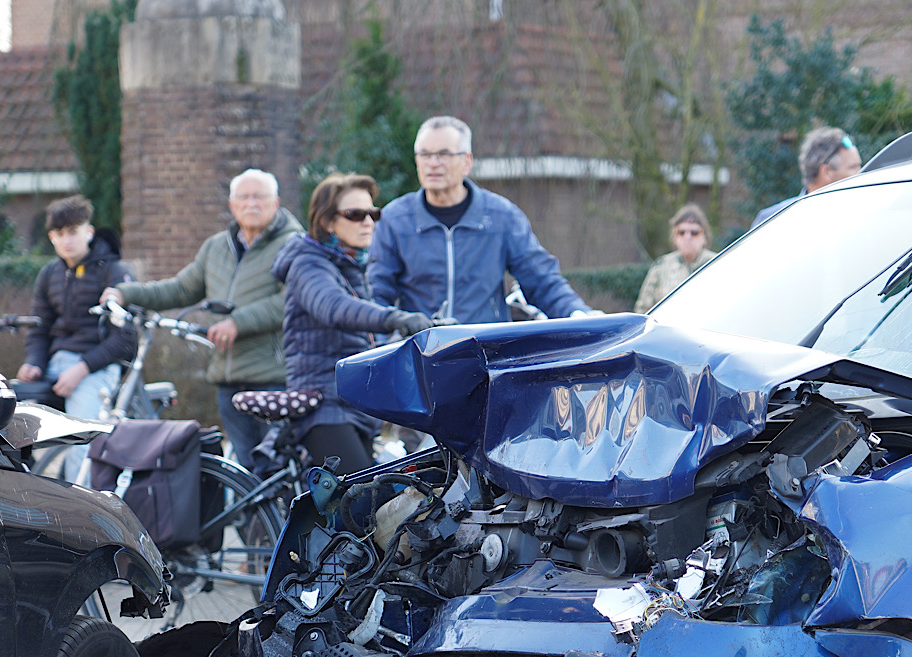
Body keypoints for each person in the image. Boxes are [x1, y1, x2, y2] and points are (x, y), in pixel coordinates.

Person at [103, 169, 302, 460]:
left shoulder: (294, 244)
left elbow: (292, 299)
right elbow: (181, 289)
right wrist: (124, 292)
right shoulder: (216, 247)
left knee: (276, 467)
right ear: (232, 206)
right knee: (246, 470)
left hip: (274, 377)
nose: (251, 203)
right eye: (243, 197)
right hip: (229, 379)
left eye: (260, 197)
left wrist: (238, 322)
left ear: (276, 202)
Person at [267, 172, 433, 474]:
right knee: (361, 506)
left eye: (373, 213)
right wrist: (395, 318)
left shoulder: (352, 266)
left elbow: (366, 339)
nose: (368, 222)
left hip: (354, 403)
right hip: (324, 404)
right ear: (328, 222)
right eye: (356, 214)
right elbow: (334, 307)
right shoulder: (308, 265)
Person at [369, 115, 593, 324]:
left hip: (486, 354)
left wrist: (580, 314)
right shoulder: (394, 220)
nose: (433, 163)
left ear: (467, 162)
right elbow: (377, 294)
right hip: (420, 356)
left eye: (444, 154)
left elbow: (542, 281)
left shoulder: (502, 217)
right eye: (425, 154)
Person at [17, 194, 137, 420]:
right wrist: (34, 363)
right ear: (51, 237)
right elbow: (39, 329)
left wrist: (81, 369)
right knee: (16, 426)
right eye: (60, 234)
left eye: (73, 232)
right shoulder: (49, 274)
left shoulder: (114, 271)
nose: (67, 241)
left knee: (80, 441)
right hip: (54, 366)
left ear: (89, 232)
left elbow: (125, 338)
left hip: (96, 368)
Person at [753, 127, 863, 227]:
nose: (861, 173)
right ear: (826, 172)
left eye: (859, 166)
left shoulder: (863, 216)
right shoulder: (771, 222)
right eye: (853, 168)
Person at [635, 204, 717, 311]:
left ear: (704, 237)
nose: (687, 237)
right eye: (681, 232)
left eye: (694, 232)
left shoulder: (717, 265)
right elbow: (643, 309)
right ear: (675, 237)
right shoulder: (661, 266)